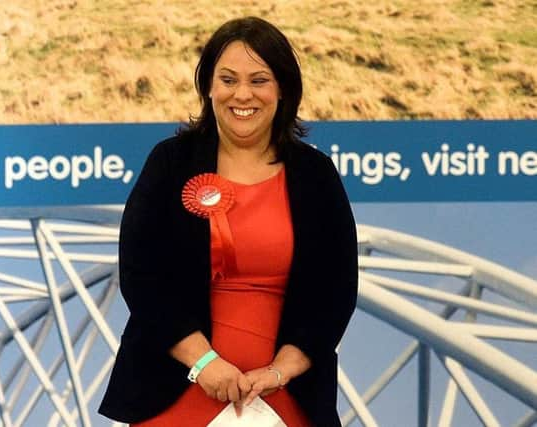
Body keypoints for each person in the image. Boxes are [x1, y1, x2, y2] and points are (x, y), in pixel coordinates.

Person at [99, 16, 358, 427]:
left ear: (284, 90)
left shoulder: (316, 174)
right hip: (174, 395)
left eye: (259, 80)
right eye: (228, 79)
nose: (243, 94)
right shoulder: (170, 162)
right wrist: (205, 364)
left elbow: (336, 291)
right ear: (209, 87)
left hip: (285, 400)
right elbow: (141, 276)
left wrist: (281, 372)